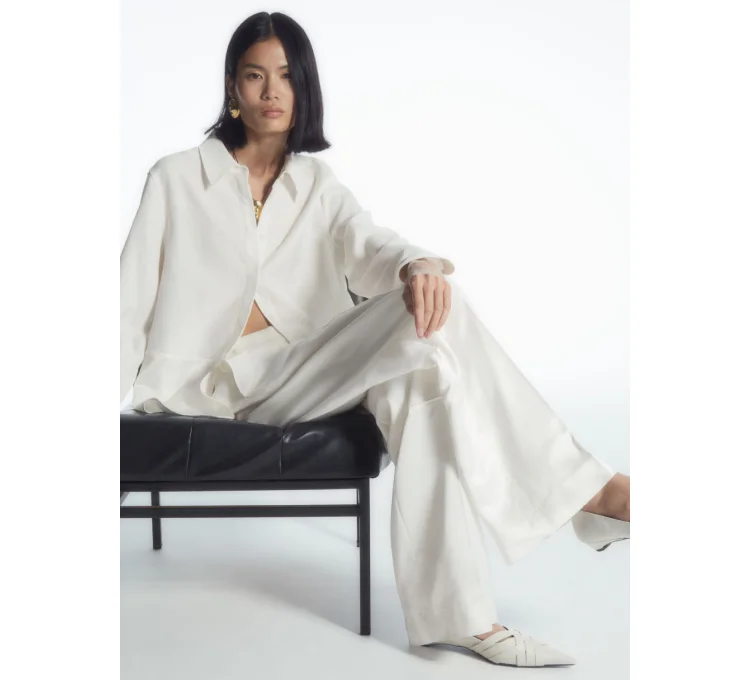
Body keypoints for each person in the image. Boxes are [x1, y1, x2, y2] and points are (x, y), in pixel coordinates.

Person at [120, 11, 630, 668]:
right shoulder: (175, 178)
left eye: (286, 76)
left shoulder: (316, 186)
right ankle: (587, 498)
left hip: (299, 374)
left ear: (304, 87)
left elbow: (371, 246)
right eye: (255, 76)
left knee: (425, 355)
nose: (272, 92)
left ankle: (468, 616)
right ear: (232, 88)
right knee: (426, 354)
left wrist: (417, 265)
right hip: (207, 388)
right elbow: (124, 304)